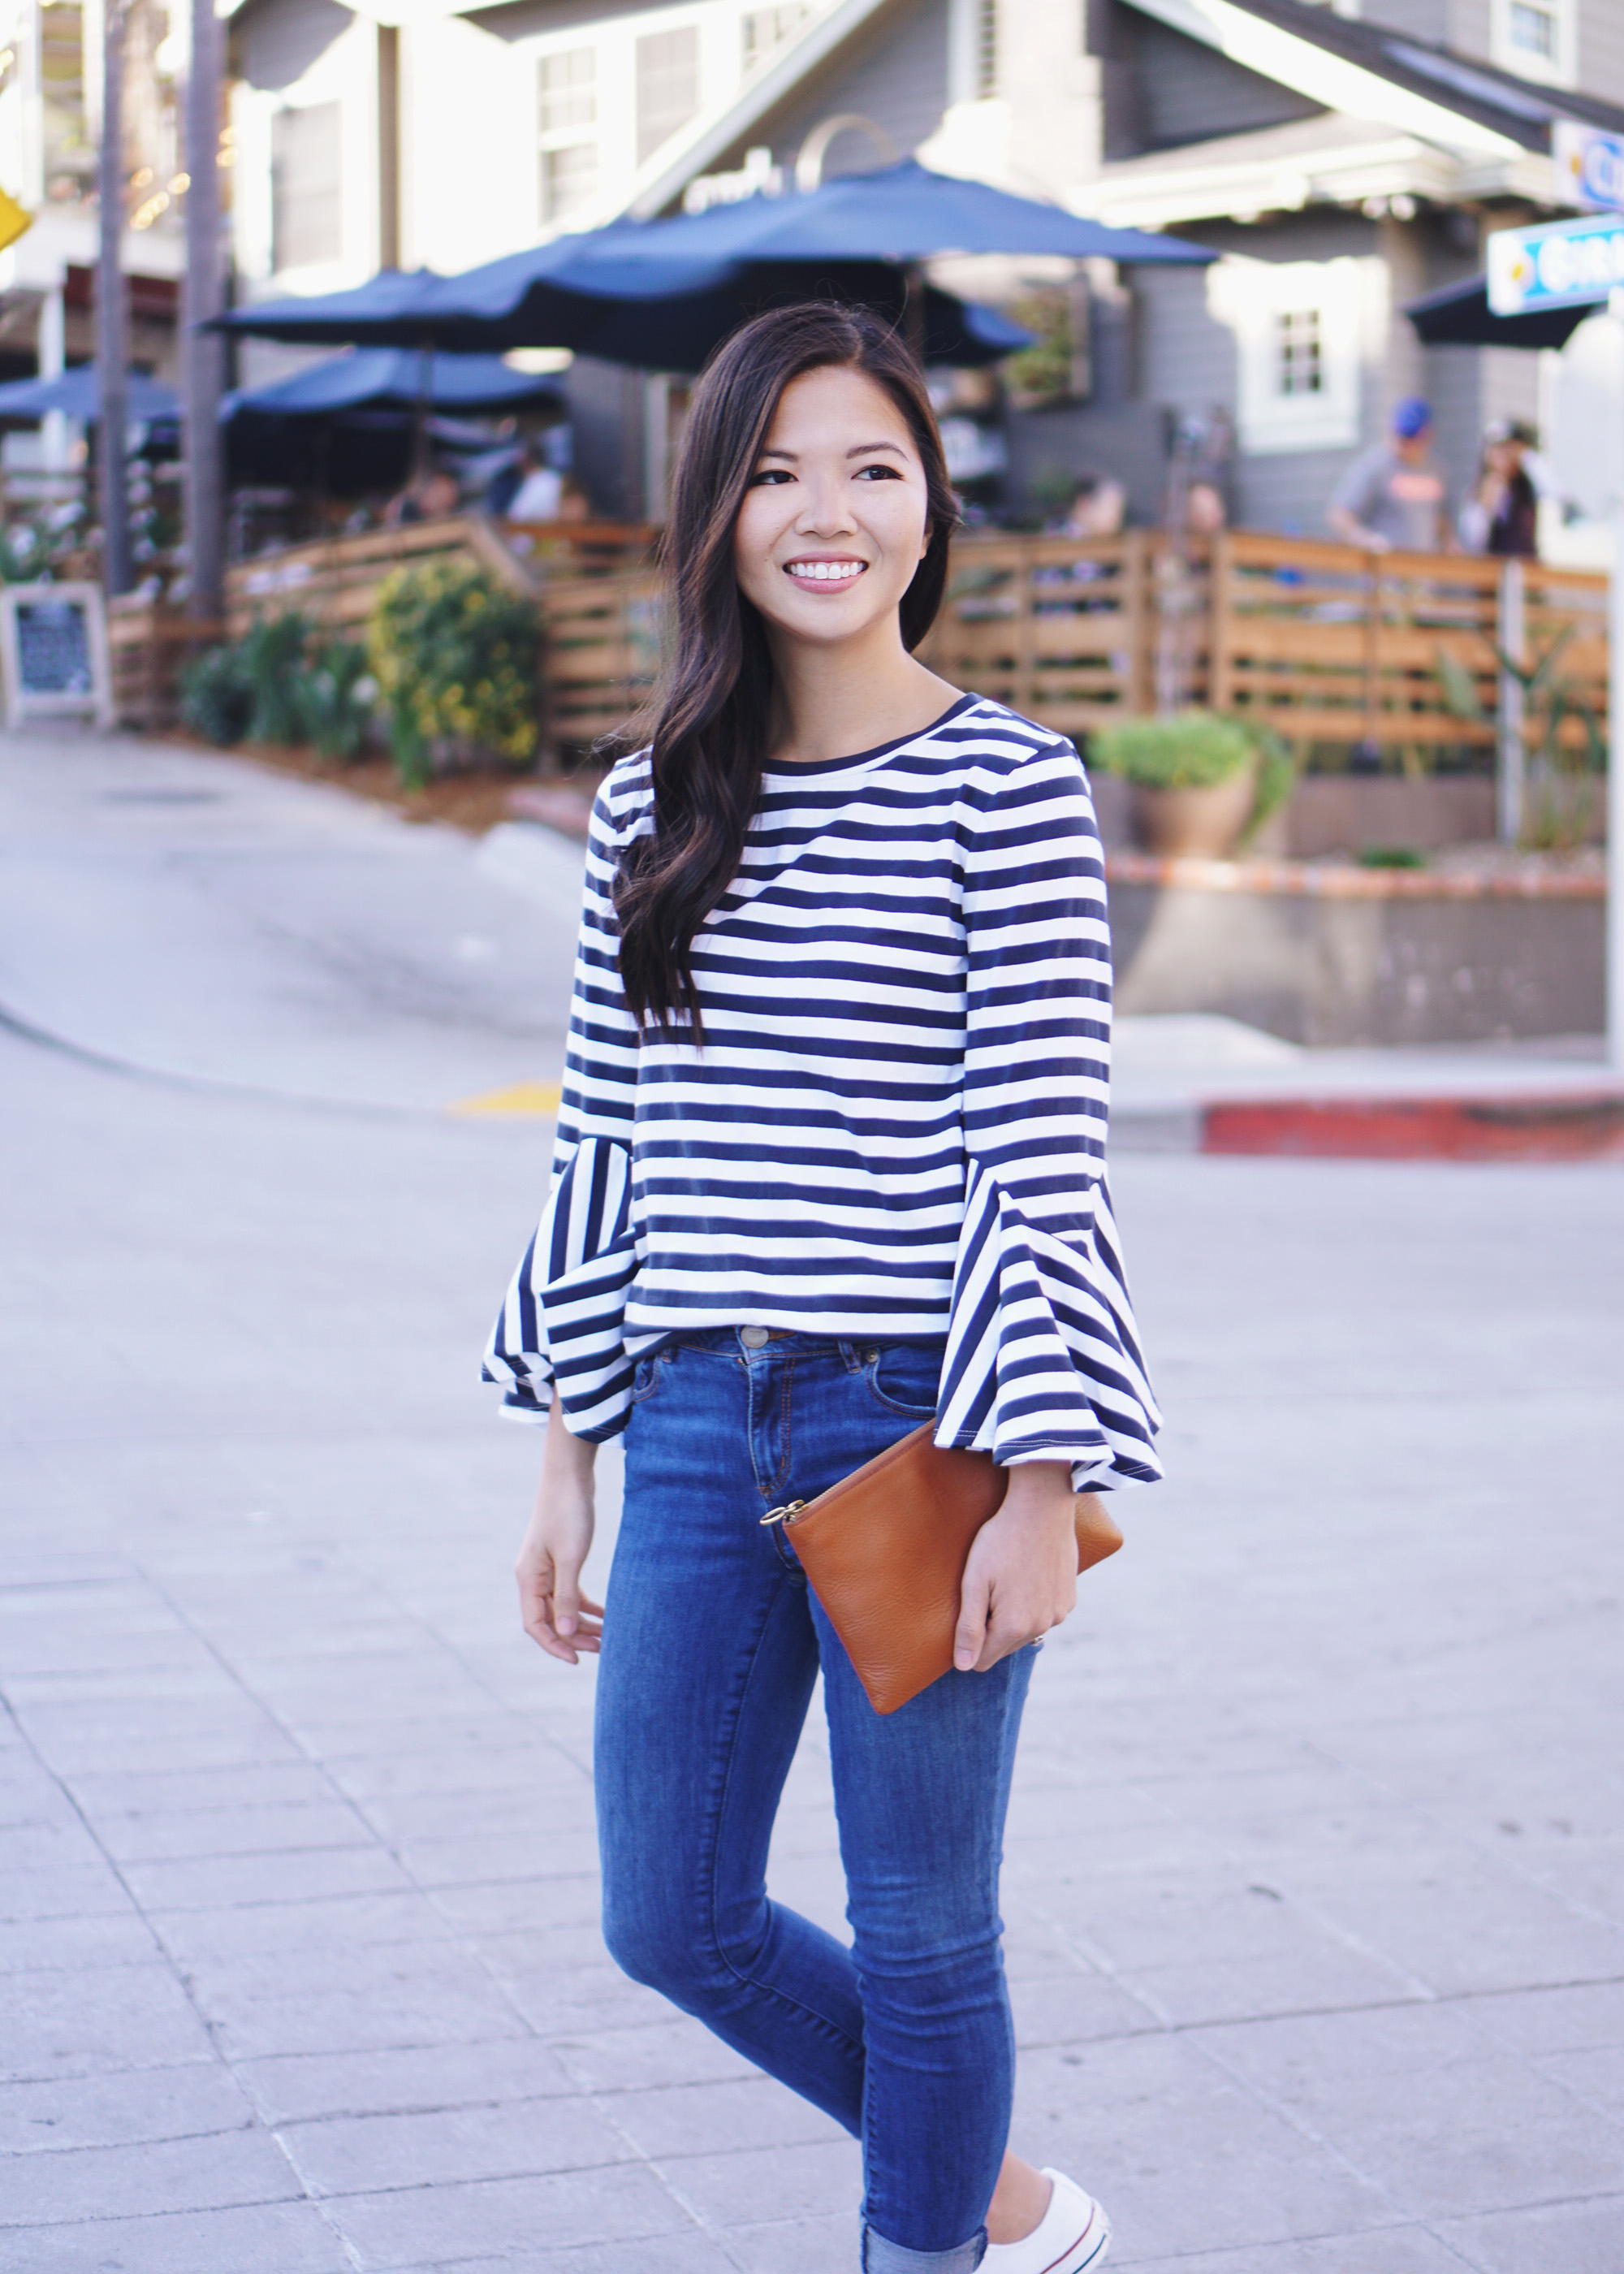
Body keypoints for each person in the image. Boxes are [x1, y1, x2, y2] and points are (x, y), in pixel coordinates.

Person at [484, 303, 1160, 2274]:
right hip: (692, 1420)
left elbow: (1039, 1155)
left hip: (917, 1426)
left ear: (927, 503)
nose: (824, 512)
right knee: (665, 1912)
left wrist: (1041, 1484)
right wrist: (563, 1456)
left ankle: (925, 2242)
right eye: (775, 470)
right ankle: (998, 2198)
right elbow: (603, 1137)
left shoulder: (1010, 791)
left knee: (925, 1924)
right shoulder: (650, 807)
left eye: (868, 466)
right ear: (715, 513)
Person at [1328, 396, 1449, 552]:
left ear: (1428, 436)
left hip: (1423, 571)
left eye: (1411, 436)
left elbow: (1440, 519)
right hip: (1386, 572)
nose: (1403, 442)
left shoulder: (1436, 470)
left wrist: (1449, 545)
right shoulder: (1375, 466)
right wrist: (1366, 539)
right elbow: (1339, 514)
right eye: (1400, 434)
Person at [1458, 419, 1540, 558]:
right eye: (1497, 448)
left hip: (1525, 571)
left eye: (1507, 448)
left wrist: (1525, 456)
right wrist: (1485, 507)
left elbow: (1557, 490)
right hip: (1491, 572)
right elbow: (1472, 542)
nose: (1502, 454)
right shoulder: (1476, 492)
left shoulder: (1526, 486)